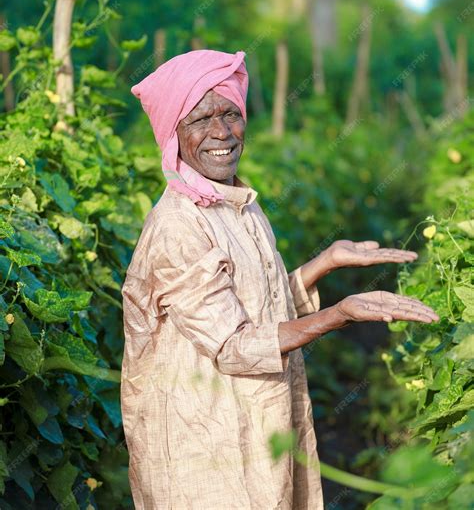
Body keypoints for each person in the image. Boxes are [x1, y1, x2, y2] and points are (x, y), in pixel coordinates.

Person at [120, 48, 439, 509]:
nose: (222, 132)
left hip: (254, 419)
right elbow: (234, 345)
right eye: (200, 119)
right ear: (173, 132)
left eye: (231, 113)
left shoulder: (239, 202)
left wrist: (325, 262)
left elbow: (254, 307)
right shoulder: (178, 226)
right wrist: (337, 315)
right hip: (201, 437)